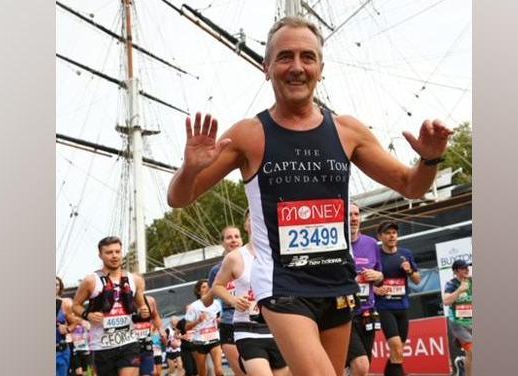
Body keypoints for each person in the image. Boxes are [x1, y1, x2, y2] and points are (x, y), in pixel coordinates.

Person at [166, 15, 452, 376]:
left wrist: (430, 157)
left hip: (337, 283)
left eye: (307, 57)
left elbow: (412, 185)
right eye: (285, 57)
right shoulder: (249, 135)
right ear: (266, 67)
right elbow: (179, 198)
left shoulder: (348, 131)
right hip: (282, 284)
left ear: (321, 68)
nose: (297, 67)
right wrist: (190, 168)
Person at [203, 209, 289, 376]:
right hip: (246, 328)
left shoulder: (279, 253)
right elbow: (217, 286)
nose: (257, 222)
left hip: (277, 327)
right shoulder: (234, 259)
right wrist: (233, 300)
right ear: (246, 225)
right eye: (252, 219)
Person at [71, 236, 153, 376]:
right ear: (100, 255)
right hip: (102, 346)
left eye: (117, 251)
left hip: (129, 342)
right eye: (109, 252)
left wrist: (144, 311)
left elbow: (142, 307)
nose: (114, 256)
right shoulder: (91, 281)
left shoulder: (136, 280)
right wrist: (88, 315)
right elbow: (75, 306)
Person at [373, 221, 421, 376]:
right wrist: (376, 289)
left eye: (394, 232)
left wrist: (409, 271)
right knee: (396, 347)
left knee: (397, 353)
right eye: (387, 233)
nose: (392, 235)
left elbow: (417, 280)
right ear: (380, 236)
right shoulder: (376, 255)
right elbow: (365, 280)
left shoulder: (405, 253)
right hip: (384, 307)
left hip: (403, 306)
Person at [346, 203, 384, 376]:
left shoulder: (371, 244)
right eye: (349, 215)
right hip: (343, 314)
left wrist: (377, 276)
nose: (353, 218)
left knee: (363, 366)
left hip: (367, 314)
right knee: (360, 365)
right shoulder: (335, 244)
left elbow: (380, 278)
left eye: (356, 214)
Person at [207, 226, 245, 376]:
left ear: (242, 240)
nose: (234, 240)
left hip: (258, 321)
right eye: (229, 237)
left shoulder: (256, 261)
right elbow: (208, 299)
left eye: (237, 236)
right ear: (222, 243)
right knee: (242, 371)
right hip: (230, 322)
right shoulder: (216, 271)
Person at [184, 280, 224, 376]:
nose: (207, 288)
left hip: (214, 340)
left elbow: (220, 318)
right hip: (199, 342)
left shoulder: (217, 303)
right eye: (203, 287)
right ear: (198, 291)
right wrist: (198, 321)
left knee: (219, 371)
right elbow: (186, 327)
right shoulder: (193, 306)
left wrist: (219, 321)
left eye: (208, 286)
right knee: (202, 373)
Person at [443, 260, 473, 376]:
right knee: (472, 351)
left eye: (467, 267)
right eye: (462, 268)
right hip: (458, 324)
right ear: (455, 271)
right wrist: (460, 290)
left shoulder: (472, 281)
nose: (466, 269)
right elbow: (446, 301)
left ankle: (461, 364)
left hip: (472, 322)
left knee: (470, 355)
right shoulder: (451, 284)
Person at [133, 293, 164, 376]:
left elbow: (155, 316)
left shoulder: (150, 300)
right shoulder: (123, 301)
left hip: (147, 347)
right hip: (130, 348)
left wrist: (161, 329)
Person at [57, 276, 76, 376]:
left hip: (61, 350)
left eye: (56, 285)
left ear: (60, 287)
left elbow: (75, 322)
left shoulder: (65, 303)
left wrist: (67, 329)